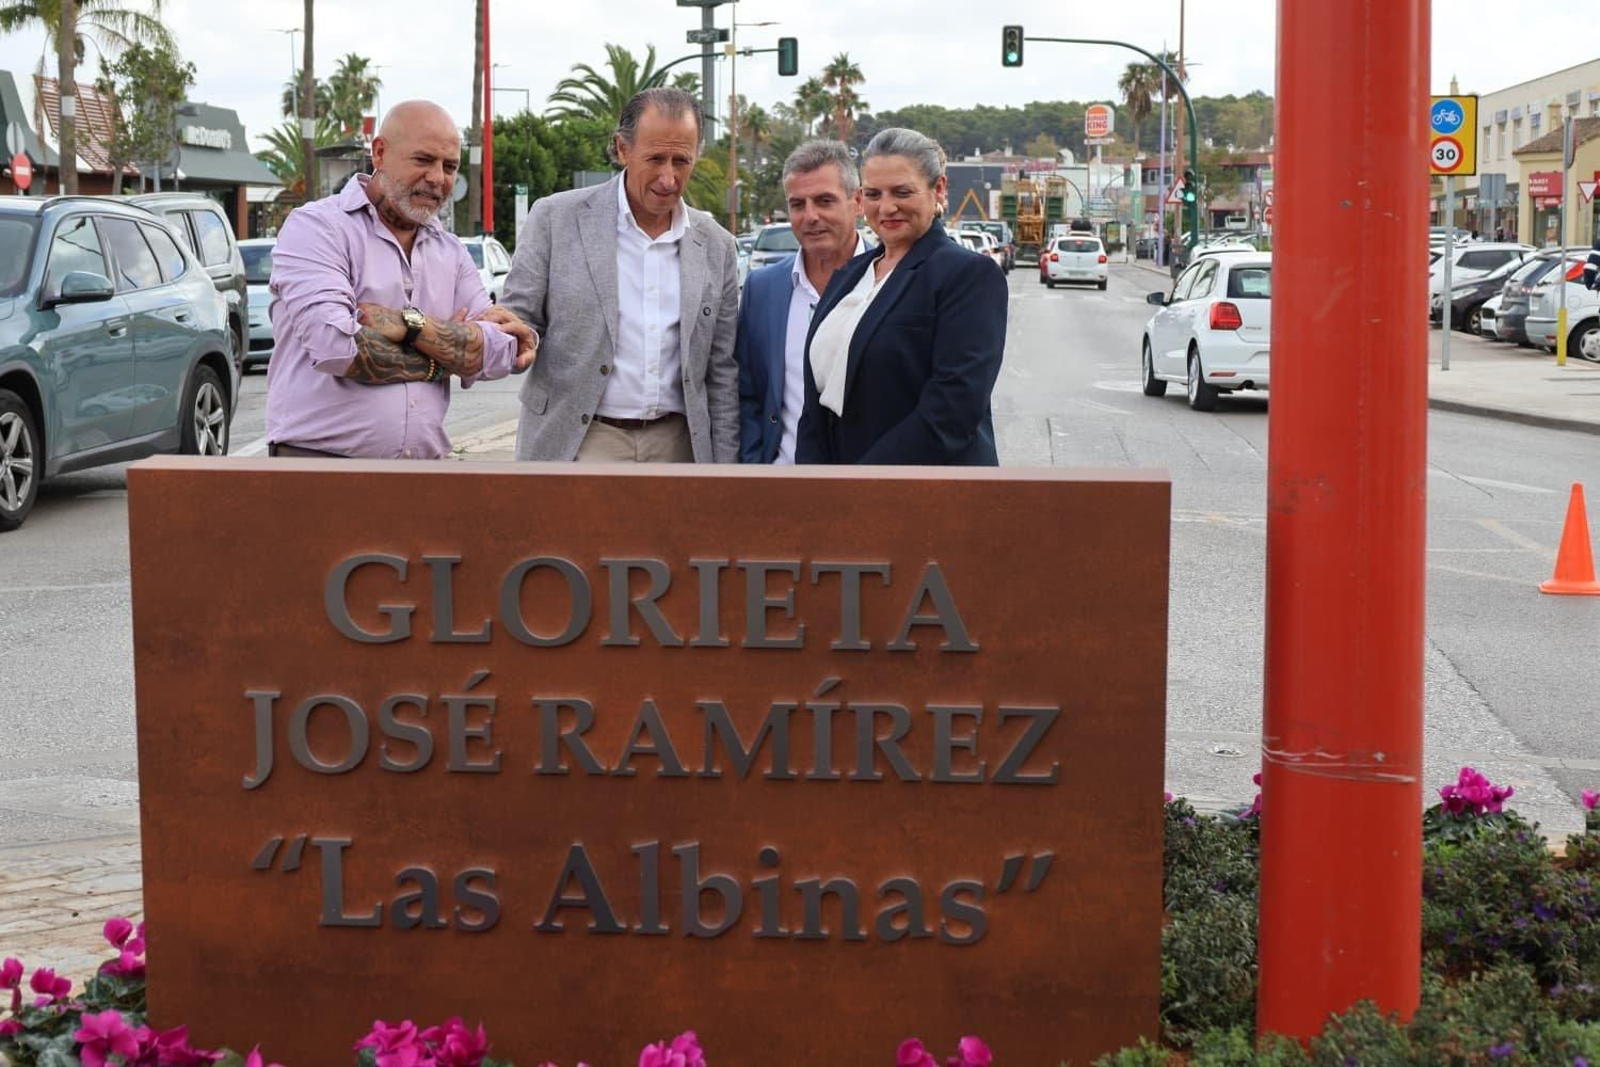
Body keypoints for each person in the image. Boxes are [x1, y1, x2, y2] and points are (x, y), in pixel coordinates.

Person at [266, 100, 535, 458]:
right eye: (423, 160)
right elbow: (335, 347)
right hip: (322, 472)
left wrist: (409, 325)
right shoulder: (317, 228)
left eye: (449, 166)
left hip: (424, 475)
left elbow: (501, 352)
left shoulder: (450, 250)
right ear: (379, 153)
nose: (438, 178)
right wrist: (448, 358)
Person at [500, 87, 740, 463]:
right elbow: (520, 317)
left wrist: (725, 470)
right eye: (655, 158)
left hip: (678, 446)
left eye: (682, 161)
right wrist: (516, 337)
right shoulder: (554, 218)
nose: (668, 178)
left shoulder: (717, 247)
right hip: (580, 440)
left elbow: (721, 370)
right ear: (622, 149)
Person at [795, 127, 1007, 466]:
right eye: (874, 194)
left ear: (938, 189)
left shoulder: (968, 276)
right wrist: (816, 481)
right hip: (835, 493)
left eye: (902, 192)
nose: (887, 207)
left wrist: (861, 485)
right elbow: (815, 403)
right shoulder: (849, 274)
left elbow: (952, 410)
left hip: (924, 496)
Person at [735, 140, 867, 463]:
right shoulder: (762, 289)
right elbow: (748, 394)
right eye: (797, 204)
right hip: (779, 491)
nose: (810, 216)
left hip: (867, 492)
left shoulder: (890, 283)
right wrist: (756, 468)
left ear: (858, 201)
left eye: (824, 201)